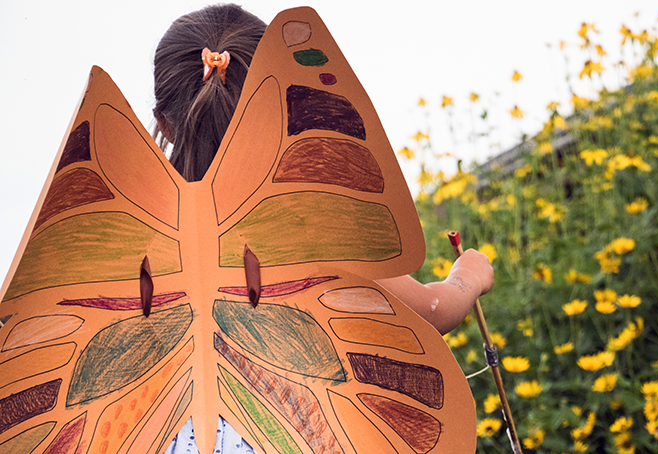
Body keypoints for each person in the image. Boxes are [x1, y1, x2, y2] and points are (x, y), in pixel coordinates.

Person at [153, 4, 494, 453]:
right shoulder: (308, 212)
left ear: (162, 123)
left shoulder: (140, 238)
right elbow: (431, 310)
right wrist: (468, 277)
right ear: (285, 112)